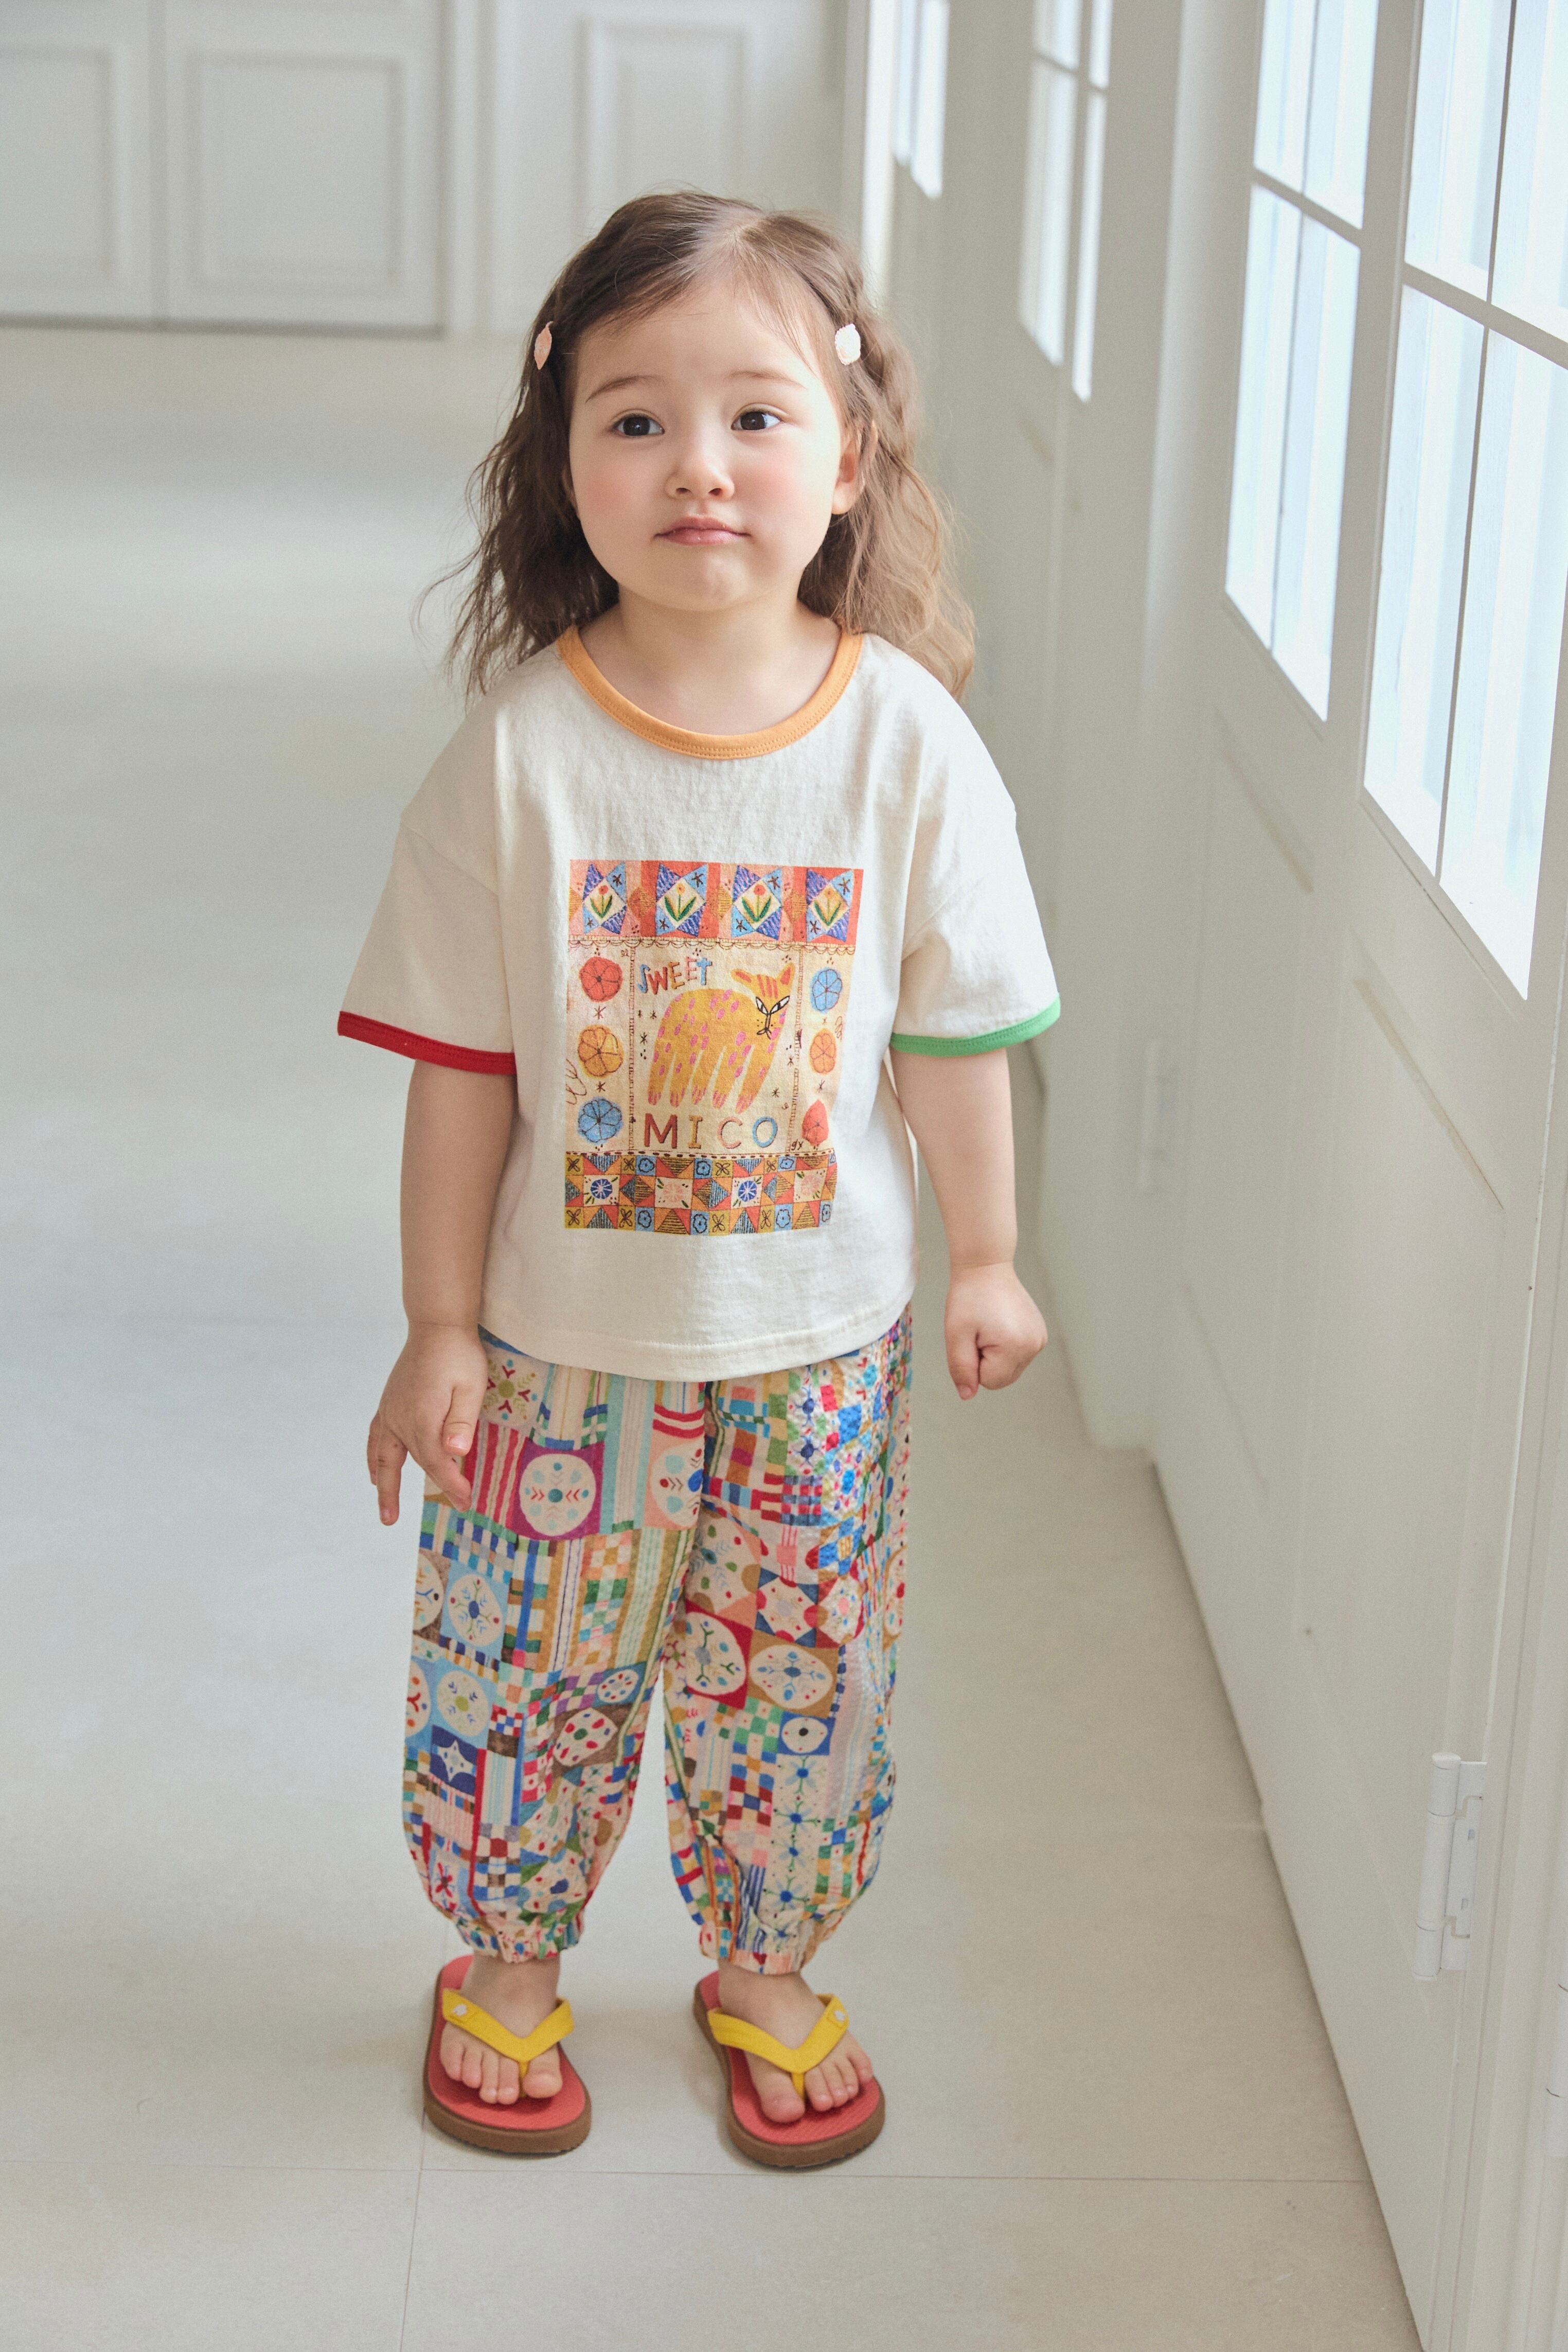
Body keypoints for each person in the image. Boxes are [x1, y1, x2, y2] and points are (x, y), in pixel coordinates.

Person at [338, 191, 1059, 2169]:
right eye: (636, 418)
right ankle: (506, 1959)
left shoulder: (906, 744)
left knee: (802, 1682)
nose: (700, 465)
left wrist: (986, 1253)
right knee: (526, 1676)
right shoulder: (519, 758)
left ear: (851, 458)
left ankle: (766, 1961)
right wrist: (435, 1325)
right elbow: (465, 1073)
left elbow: (953, 1032)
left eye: (756, 413)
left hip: (817, 1351)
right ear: (563, 461)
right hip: (553, 1353)